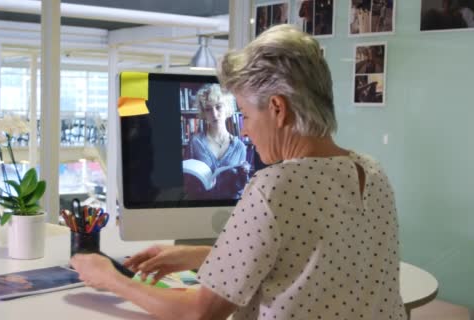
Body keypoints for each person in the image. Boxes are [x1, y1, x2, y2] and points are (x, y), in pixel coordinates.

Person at [71, 24, 406, 320]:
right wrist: (206, 256)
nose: (244, 131)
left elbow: (198, 312)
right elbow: (313, 260)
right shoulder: (373, 172)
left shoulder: (274, 187)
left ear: (277, 108)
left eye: (244, 114)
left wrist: (110, 278)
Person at [185, 83, 249, 200]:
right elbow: (187, 184)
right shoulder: (195, 143)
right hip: (200, 208)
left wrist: (243, 175)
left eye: (218, 107)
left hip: (230, 209)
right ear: (204, 113)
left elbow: (240, 189)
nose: (214, 114)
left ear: (228, 108)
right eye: (208, 109)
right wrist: (202, 185)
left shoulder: (239, 147)